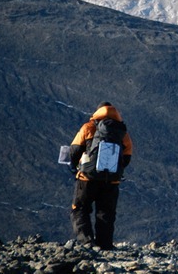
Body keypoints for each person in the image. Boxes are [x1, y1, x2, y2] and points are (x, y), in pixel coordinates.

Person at [69, 102, 133, 250]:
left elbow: (74, 150)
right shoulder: (122, 133)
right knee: (106, 212)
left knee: (80, 208)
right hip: (111, 180)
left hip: (87, 178)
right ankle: (105, 245)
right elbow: (127, 157)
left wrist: (75, 166)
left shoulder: (89, 127)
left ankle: (87, 243)